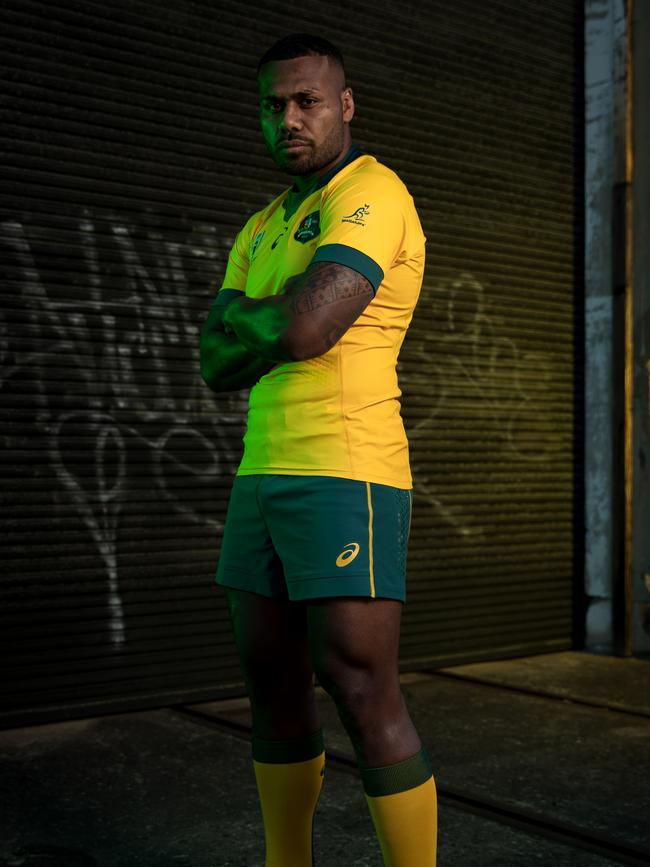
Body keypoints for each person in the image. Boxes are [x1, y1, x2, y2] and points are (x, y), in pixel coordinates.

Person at [200, 32, 437, 867]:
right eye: (273, 105)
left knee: (360, 688)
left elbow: (304, 326)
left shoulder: (373, 192)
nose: (288, 119)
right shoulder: (262, 225)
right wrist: (274, 319)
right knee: (270, 687)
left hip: (346, 469)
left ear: (344, 105)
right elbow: (215, 359)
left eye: (306, 101)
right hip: (261, 473)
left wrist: (260, 317)